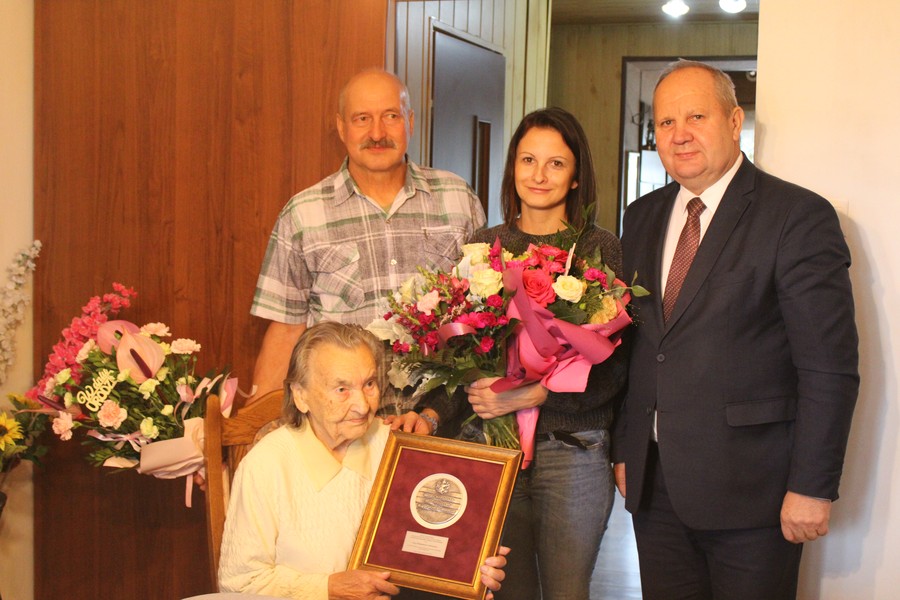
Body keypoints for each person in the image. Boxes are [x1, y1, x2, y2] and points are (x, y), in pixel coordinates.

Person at [612, 59, 859, 600]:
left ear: (733, 121)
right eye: (666, 123)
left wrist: (812, 488)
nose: (680, 135)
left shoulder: (797, 216)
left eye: (696, 116)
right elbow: (639, 347)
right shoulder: (642, 216)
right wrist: (627, 449)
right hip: (656, 493)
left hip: (756, 496)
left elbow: (828, 368)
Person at [394, 107, 628, 600]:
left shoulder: (598, 248)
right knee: (499, 592)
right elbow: (465, 361)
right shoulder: (485, 245)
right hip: (491, 450)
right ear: (512, 168)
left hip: (574, 454)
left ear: (576, 175)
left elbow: (614, 371)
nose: (538, 175)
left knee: (566, 592)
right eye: (527, 160)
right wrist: (432, 413)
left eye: (555, 163)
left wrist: (528, 396)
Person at [218, 321, 508, 599]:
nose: (362, 405)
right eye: (341, 389)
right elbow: (240, 583)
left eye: (369, 384)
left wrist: (471, 566)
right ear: (300, 395)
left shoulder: (396, 447)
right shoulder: (266, 465)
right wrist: (327, 589)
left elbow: (428, 546)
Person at [249, 69, 486, 407]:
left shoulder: (458, 198)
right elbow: (286, 330)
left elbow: (486, 316)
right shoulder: (303, 214)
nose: (377, 133)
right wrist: (256, 429)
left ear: (411, 122)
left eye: (391, 116)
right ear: (341, 127)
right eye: (362, 118)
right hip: (340, 430)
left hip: (439, 428)